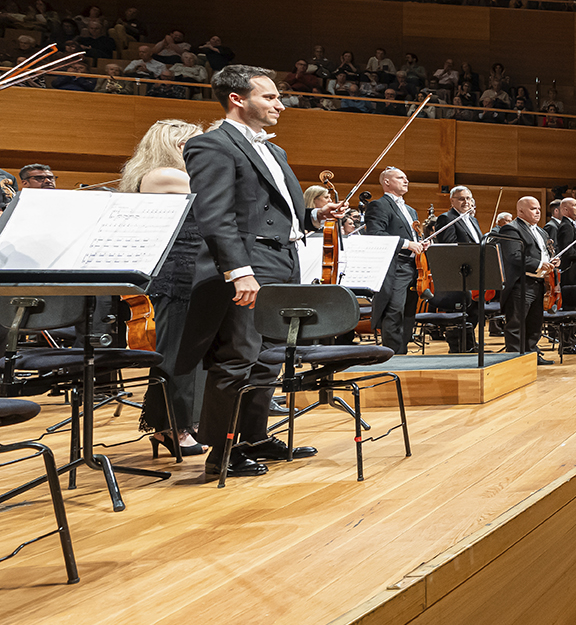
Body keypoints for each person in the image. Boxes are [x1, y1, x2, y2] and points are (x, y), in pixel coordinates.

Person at [179, 65, 343, 477]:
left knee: (270, 356)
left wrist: (316, 216)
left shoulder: (276, 151)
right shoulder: (211, 145)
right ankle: (222, 452)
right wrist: (239, 271)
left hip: (283, 259)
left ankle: (253, 436)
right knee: (238, 355)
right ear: (237, 99)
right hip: (250, 262)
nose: (280, 105)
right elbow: (214, 216)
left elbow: (279, 213)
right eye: (269, 97)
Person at [120, 119, 208, 458]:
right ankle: (172, 426)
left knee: (193, 354)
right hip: (175, 275)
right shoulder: (162, 175)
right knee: (176, 355)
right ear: (176, 146)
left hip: (193, 272)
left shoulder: (175, 174)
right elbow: (213, 193)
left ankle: (186, 423)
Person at [359, 167, 425, 355]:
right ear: (387, 182)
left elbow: (413, 236)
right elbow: (375, 234)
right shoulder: (379, 205)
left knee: (409, 312)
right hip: (395, 266)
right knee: (394, 311)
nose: (406, 181)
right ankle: (394, 356)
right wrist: (407, 244)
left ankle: (403, 352)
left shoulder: (411, 210)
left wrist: (420, 243)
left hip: (414, 266)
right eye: (400, 177)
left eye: (406, 178)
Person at [487, 196, 556, 365]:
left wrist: (553, 260)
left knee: (535, 323)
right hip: (521, 284)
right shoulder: (511, 229)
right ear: (521, 211)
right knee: (516, 324)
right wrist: (539, 264)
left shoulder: (541, 231)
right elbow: (513, 256)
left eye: (539, 208)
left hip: (539, 283)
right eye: (533, 209)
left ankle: (532, 356)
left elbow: (544, 253)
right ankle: (515, 361)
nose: (538, 212)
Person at [427, 185, 485, 352]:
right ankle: (459, 346)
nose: (466, 202)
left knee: (475, 310)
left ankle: (469, 343)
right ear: (452, 201)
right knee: (464, 309)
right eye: (461, 199)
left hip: (475, 271)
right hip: (459, 273)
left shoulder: (472, 220)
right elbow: (449, 246)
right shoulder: (446, 218)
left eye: (468, 198)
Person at [544, 197, 576, 354]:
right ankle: (567, 345)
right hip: (572, 276)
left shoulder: (572, 225)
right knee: (572, 309)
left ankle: (572, 343)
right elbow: (568, 252)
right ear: (565, 210)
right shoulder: (566, 227)